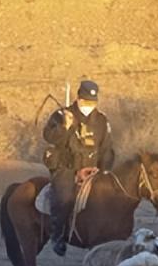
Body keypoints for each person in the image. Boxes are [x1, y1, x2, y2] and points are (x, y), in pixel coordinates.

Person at [42, 79, 115, 255]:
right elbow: (49, 137)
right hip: (66, 169)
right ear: (78, 98)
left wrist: (104, 170)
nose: (89, 106)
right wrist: (63, 127)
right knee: (64, 198)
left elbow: (106, 148)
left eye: (93, 102)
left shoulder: (102, 120)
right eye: (86, 102)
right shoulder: (61, 115)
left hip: (94, 170)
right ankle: (58, 236)